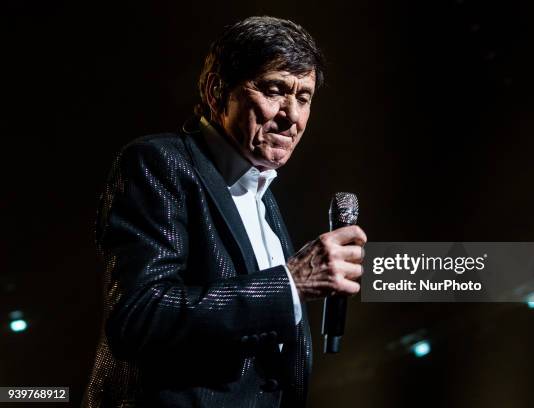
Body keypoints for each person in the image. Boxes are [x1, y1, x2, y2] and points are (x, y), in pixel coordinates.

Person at [82, 16, 367, 408]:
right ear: (218, 91)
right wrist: (291, 285)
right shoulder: (159, 163)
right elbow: (138, 316)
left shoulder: (262, 194)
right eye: (275, 90)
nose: (292, 116)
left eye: (304, 98)